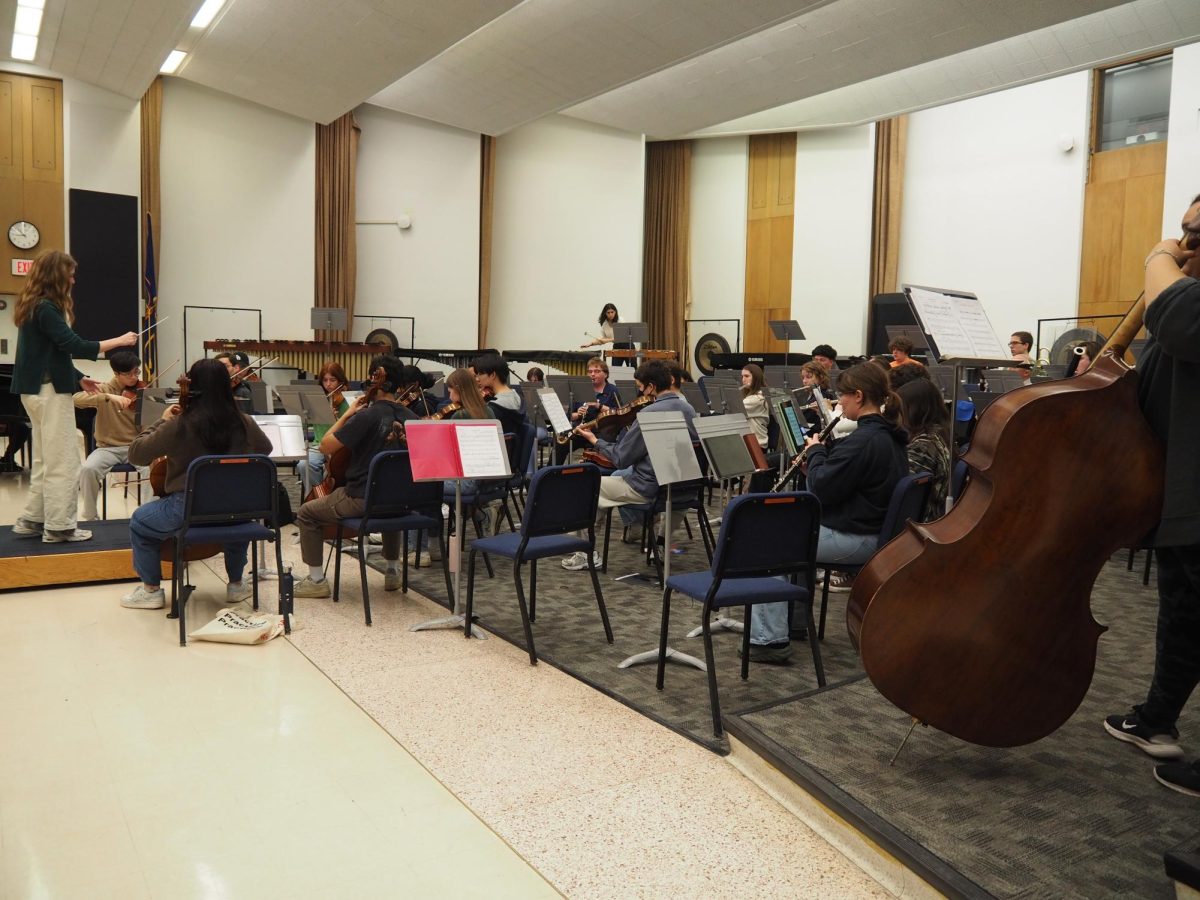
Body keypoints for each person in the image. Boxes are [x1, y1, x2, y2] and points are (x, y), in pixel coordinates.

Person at [1104, 194, 1200, 798]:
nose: (1186, 242)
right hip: (1176, 498)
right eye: (1185, 231)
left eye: (1196, 231)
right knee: (1184, 616)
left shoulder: (1185, 306)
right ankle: (1157, 719)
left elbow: (1183, 320)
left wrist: (1158, 254)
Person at [746, 363, 908, 662]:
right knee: (794, 533)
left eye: (842, 396)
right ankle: (793, 624)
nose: (839, 402)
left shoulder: (864, 441)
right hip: (872, 531)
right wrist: (821, 462)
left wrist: (817, 452)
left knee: (774, 542)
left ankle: (769, 640)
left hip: (859, 538)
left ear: (858, 396)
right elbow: (843, 482)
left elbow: (821, 489)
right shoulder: (887, 436)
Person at [122, 358, 274, 609]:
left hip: (188, 511)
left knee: (140, 520)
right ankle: (236, 585)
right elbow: (265, 450)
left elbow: (136, 453)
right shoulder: (244, 421)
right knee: (235, 512)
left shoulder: (179, 424)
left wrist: (161, 420)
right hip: (237, 508)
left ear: (193, 387)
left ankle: (151, 590)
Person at [10, 249, 138, 542]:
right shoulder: (46, 308)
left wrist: (79, 379)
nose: (74, 279)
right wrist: (120, 340)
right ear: (57, 275)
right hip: (49, 394)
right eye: (69, 273)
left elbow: (51, 352)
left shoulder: (34, 305)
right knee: (65, 461)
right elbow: (74, 345)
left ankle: (33, 518)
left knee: (45, 458)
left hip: (35, 392)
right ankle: (60, 527)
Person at [293, 355, 420, 598]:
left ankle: (316, 580)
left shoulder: (366, 416)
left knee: (307, 513)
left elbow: (326, 447)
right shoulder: (413, 419)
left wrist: (346, 414)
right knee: (388, 492)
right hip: (402, 500)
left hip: (362, 498)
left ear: (374, 380)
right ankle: (392, 571)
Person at [561, 361, 697, 571]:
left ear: (651, 387)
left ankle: (584, 551)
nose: (640, 392)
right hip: (682, 487)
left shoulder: (649, 414)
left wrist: (595, 441)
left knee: (587, 486)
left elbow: (622, 458)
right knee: (618, 480)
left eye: (640, 387)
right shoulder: (688, 408)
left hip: (648, 488)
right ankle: (658, 544)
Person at [73, 350, 147, 521]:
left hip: (135, 447)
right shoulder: (103, 389)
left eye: (137, 372)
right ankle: (91, 516)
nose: (134, 377)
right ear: (116, 373)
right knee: (87, 470)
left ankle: (146, 516)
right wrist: (106, 397)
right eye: (129, 374)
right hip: (107, 449)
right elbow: (76, 399)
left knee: (153, 470)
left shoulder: (141, 390)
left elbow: (148, 425)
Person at [896, 378, 951, 521]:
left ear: (914, 410)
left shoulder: (923, 447)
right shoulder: (940, 433)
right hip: (933, 513)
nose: (899, 413)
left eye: (902, 408)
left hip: (922, 520)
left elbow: (899, 490)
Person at [295, 361, 350, 496]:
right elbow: (305, 425)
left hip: (339, 446)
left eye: (333, 380)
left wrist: (336, 419)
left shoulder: (347, 401)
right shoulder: (317, 400)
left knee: (334, 470)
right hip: (319, 444)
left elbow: (350, 428)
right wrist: (304, 414)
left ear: (340, 381)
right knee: (303, 465)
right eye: (325, 380)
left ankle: (324, 496)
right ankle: (319, 496)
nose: (328, 384)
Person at [556, 357, 620, 463]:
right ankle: (552, 473)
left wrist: (598, 406)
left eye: (597, 371)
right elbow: (570, 416)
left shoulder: (613, 390)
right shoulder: (581, 390)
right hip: (581, 429)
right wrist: (578, 414)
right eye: (590, 372)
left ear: (606, 374)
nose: (592, 374)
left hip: (602, 431)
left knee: (604, 445)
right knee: (561, 444)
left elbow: (617, 413)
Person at [741, 364, 769, 449]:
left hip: (757, 445)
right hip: (749, 443)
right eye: (742, 376)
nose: (743, 380)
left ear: (756, 378)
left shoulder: (758, 398)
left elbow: (735, 408)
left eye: (746, 376)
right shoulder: (751, 396)